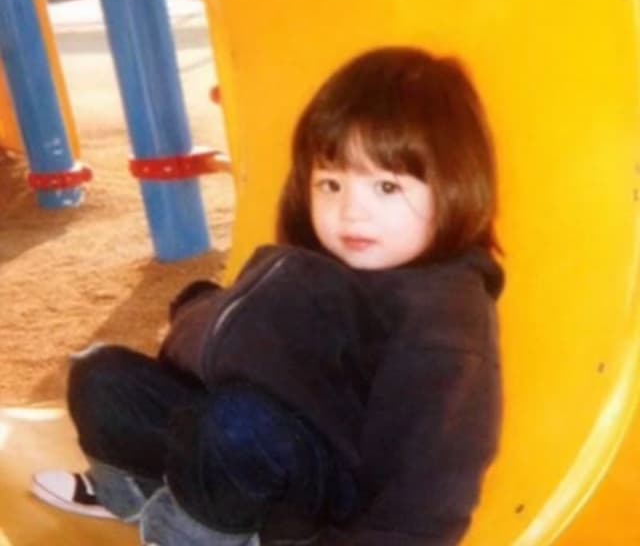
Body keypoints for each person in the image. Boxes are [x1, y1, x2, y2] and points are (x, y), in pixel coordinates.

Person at [31, 46, 504, 546]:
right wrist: (196, 306)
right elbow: (236, 331)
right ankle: (136, 495)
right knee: (102, 374)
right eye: (331, 184)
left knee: (235, 426)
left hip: (316, 498)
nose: (351, 212)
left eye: (386, 187)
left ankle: (195, 534)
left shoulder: (442, 324)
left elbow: (426, 499)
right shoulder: (313, 264)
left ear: (455, 186)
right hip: (237, 440)